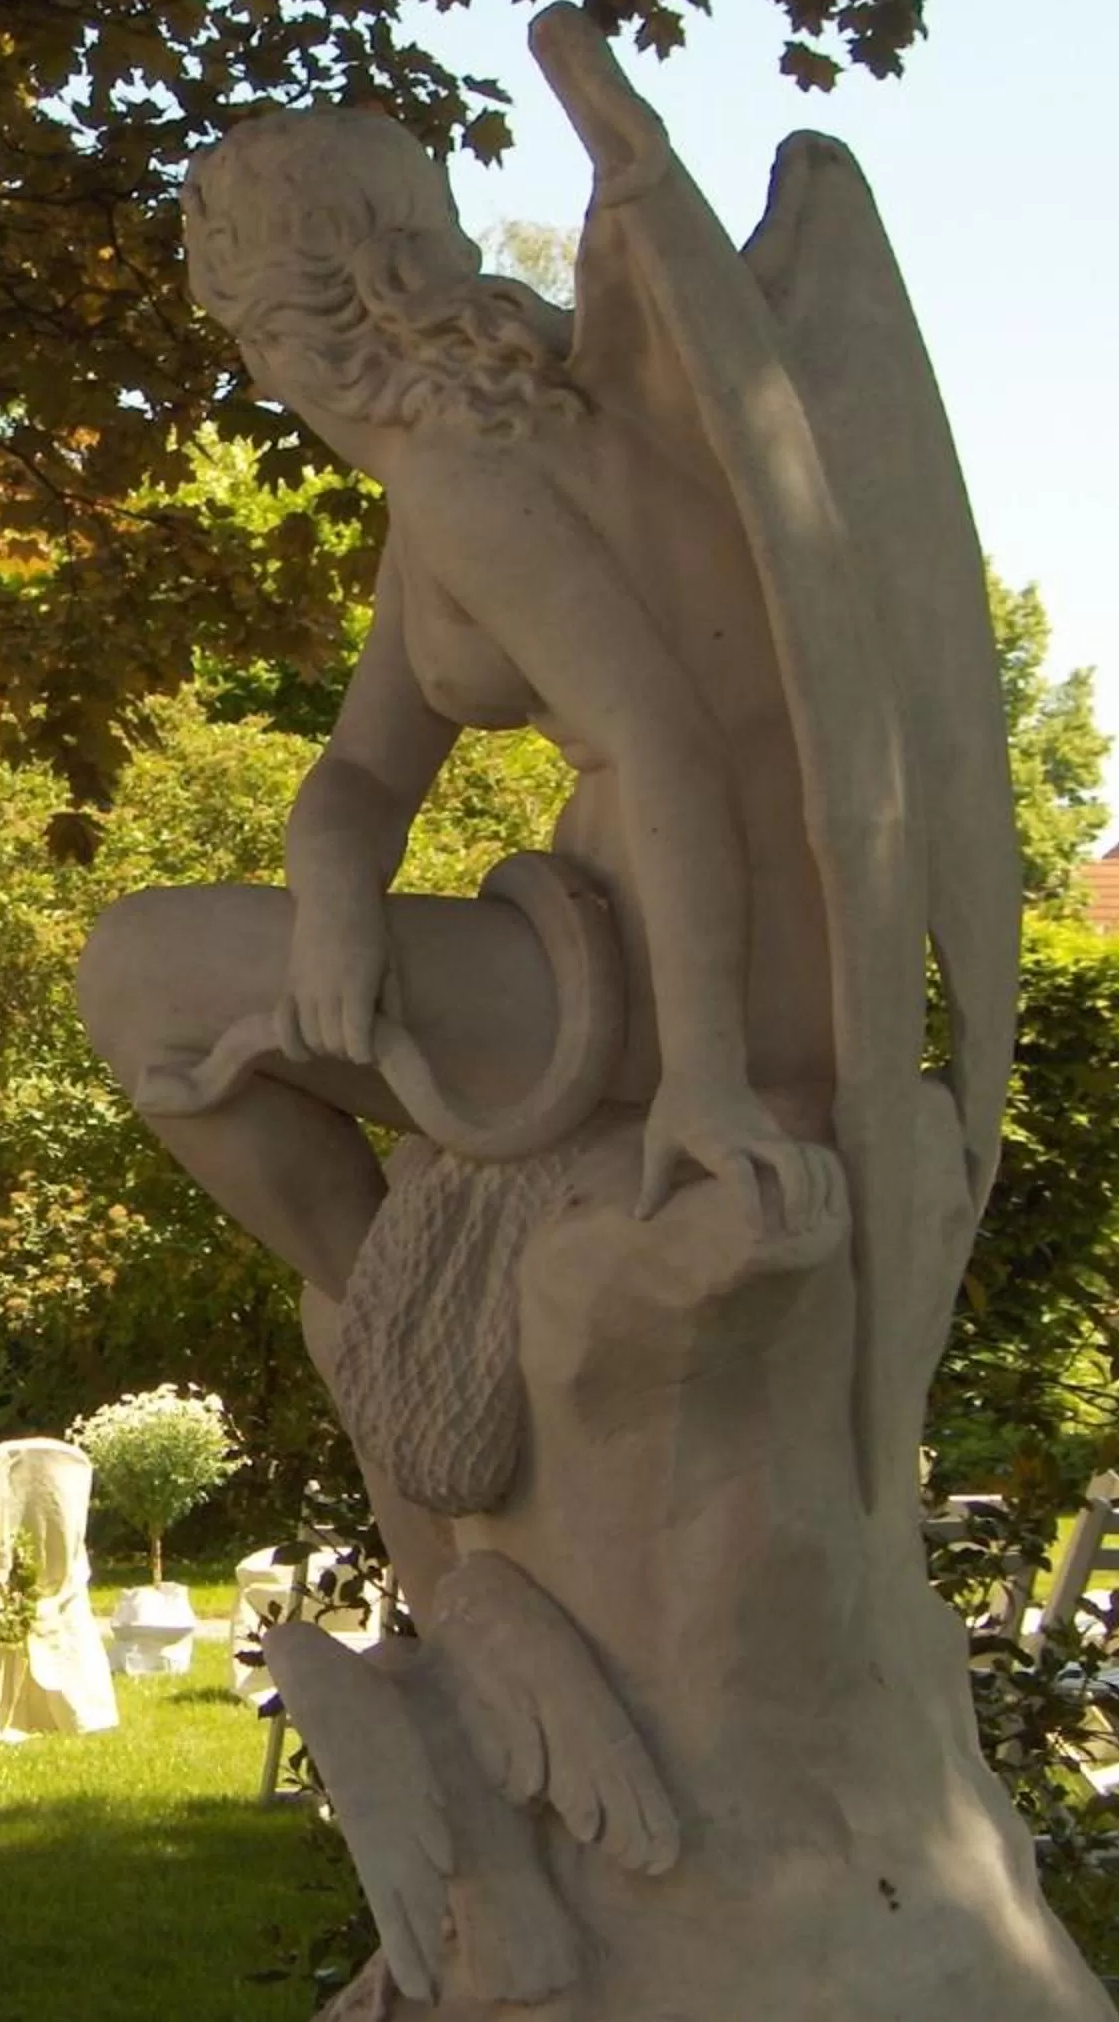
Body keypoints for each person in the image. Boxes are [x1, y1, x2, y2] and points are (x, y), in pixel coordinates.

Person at [76, 91, 845, 1598]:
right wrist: (335, 899)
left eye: (244, 331)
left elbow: (670, 749)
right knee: (193, 978)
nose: (257, 370)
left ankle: (404, 1338)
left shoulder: (472, 474)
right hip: (615, 950)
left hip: (695, 978)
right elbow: (363, 767)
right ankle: (419, 1331)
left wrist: (703, 1078)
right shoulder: (484, 441)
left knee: (138, 977)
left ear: (299, 318)